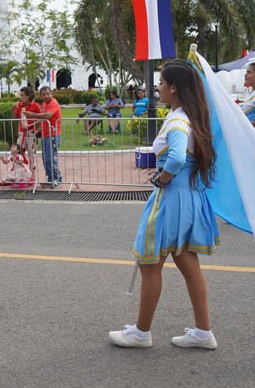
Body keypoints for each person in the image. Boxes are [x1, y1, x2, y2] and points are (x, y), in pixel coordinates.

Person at [108, 59, 218, 350]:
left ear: (173, 88)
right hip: (189, 197)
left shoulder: (179, 120)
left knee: (150, 265)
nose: (157, 88)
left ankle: (141, 333)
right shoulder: (191, 115)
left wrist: (162, 177)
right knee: (188, 263)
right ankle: (203, 332)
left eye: (161, 83)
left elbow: (177, 157)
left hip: (170, 199)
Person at [24, 87, 62, 187]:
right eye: (44, 94)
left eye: (48, 93)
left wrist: (32, 114)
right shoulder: (44, 104)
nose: (46, 96)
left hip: (53, 135)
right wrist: (38, 130)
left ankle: (56, 180)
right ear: (40, 96)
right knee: (46, 159)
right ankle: (51, 179)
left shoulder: (53, 103)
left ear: (51, 94)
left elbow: (48, 116)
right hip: (45, 135)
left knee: (50, 158)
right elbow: (44, 120)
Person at [13, 86, 41, 179]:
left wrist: (35, 128)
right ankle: (21, 176)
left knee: (31, 155)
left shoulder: (35, 106)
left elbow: (40, 119)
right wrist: (14, 108)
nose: (20, 97)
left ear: (28, 96)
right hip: (21, 133)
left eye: (22, 95)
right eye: (20, 95)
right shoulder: (20, 105)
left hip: (31, 133)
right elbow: (15, 118)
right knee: (18, 154)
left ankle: (32, 177)